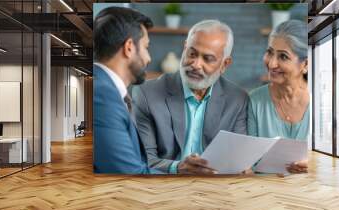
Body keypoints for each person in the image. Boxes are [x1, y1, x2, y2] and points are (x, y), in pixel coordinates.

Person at [132, 20, 249, 174]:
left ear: (224, 65)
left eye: (207, 59)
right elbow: (143, 160)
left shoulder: (238, 99)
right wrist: (178, 167)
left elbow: (238, 159)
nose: (195, 64)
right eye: (192, 53)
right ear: (185, 47)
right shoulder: (146, 93)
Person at [93, 7, 159, 174]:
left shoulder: (106, 89)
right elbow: (128, 173)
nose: (148, 58)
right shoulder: (103, 96)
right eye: (146, 47)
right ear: (129, 47)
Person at [248, 20, 309, 174]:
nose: (272, 63)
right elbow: (249, 161)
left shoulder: (323, 103)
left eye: (283, 57)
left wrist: (313, 163)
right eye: (269, 52)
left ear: (305, 65)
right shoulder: (254, 100)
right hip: (265, 192)